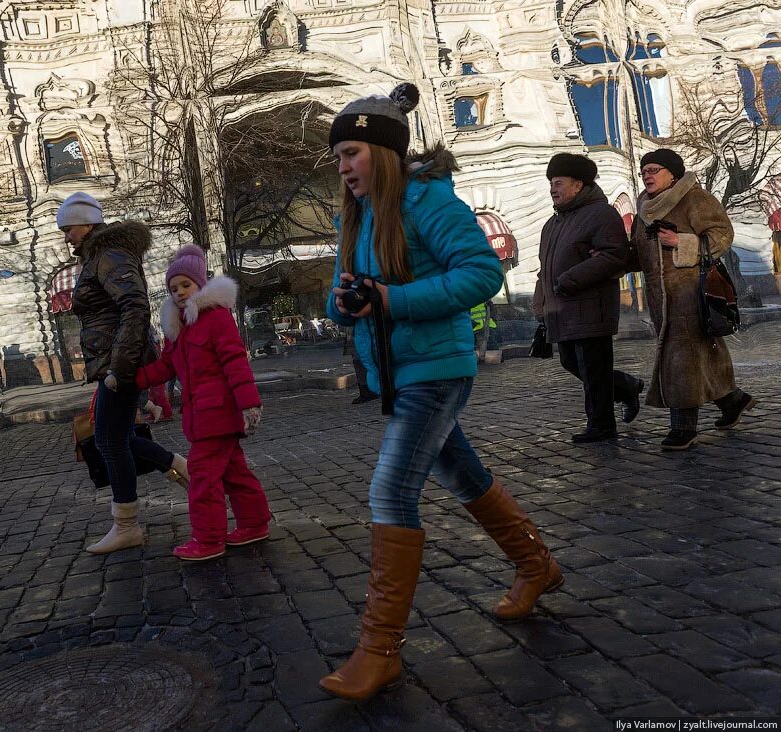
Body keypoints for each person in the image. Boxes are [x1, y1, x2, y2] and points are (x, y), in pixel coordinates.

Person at [319, 84, 563, 701]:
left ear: (383, 150)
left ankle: (380, 650)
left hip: (437, 367)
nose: (343, 166)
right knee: (461, 474)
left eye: (351, 152)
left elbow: (482, 272)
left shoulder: (429, 201)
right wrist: (349, 301)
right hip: (399, 371)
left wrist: (392, 299)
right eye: (339, 156)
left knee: (391, 490)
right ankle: (537, 565)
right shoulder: (358, 215)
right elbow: (341, 295)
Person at [58, 191, 190, 554]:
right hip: (115, 362)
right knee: (114, 437)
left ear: (86, 223)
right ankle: (181, 468)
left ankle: (127, 525)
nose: (66, 236)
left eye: (68, 228)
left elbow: (134, 307)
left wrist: (119, 366)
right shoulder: (99, 255)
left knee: (108, 440)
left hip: (122, 364)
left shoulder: (109, 254)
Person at [136, 245, 270, 561]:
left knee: (202, 477)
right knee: (234, 472)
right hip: (202, 415)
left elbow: (236, 361)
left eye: (185, 285)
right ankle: (254, 523)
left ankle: (209, 539)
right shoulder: (179, 327)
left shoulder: (216, 318)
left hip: (218, 414)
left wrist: (249, 404)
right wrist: (133, 379)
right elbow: (167, 366)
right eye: (173, 288)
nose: (180, 292)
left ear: (199, 284)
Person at [632, 149, 757, 450]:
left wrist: (682, 242)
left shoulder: (693, 198)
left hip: (691, 295)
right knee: (701, 357)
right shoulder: (644, 209)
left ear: (672, 173)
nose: (647, 175)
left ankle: (683, 428)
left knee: (681, 360)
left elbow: (722, 234)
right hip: (661, 299)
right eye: (643, 171)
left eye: (654, 169)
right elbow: (638, 254)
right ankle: (733, 401)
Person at [533, 153, 645, 442]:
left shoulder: (601, 214)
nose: (552, 189)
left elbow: (615, 256)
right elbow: (545, 269)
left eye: (558, 182)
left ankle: (602, 426)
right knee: (571, 363)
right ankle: (626, 387)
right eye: (550, 183)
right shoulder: (553, 223)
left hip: (590, 306)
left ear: (578, 184)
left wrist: (570, 279)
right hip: (561, 309)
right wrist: (540, 303)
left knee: (593, 369)